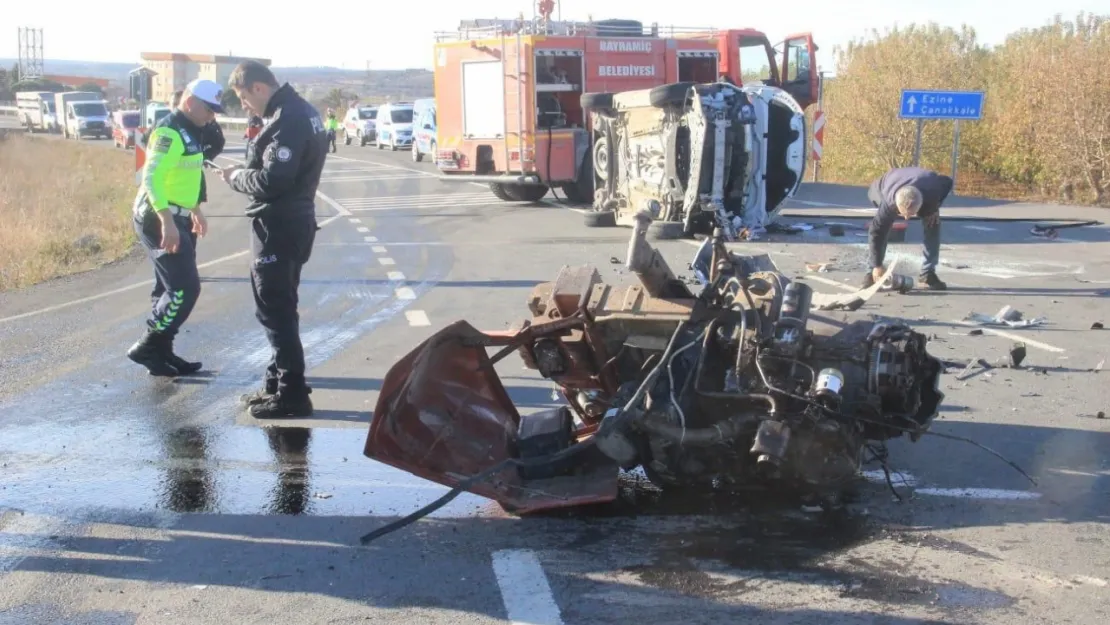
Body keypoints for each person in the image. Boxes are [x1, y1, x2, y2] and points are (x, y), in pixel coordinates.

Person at [219, 60, 328, 418]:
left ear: (258, 88)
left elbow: (272, 181)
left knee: (275, 310)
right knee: (280, 308)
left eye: (245, 100)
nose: (246, 107)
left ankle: (291, 393)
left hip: (279, 225)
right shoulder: (297, 112)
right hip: (292, 223)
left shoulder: (288, 120)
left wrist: (236, 177)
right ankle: (276, 383)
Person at [126, 79, 223, 376]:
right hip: (158, 216)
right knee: (185, 289)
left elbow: (185, 177)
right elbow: (152, 178)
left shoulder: (193, 129)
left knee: (168, 288)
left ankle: (161, 351)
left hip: (179, 214)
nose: (212, 116)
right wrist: (167, 220)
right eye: (209, 109)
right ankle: (146, 346)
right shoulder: (169, 130)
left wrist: (195, 210)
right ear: (191, 102)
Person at [863, 166, 952, 291]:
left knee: (933, 221)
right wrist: (876, 265)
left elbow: (948, 181)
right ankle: (872, 272)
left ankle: (928, 273)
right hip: (883, 186)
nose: (906, 218)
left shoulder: (935, 190)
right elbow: (875, 232)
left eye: (911, 215)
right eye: (903, 214)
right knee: (883, 226)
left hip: (923, 187)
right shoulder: (889, 202)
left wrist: (935, 207)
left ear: (921, 204)